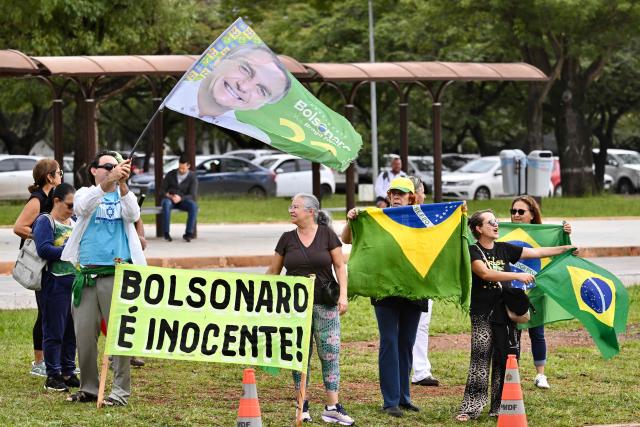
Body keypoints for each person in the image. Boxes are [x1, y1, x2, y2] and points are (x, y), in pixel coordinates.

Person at [456, 209, 575, 422]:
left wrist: (566, 248)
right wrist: (516, 274)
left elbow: (537, 253)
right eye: (490, 222)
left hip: (506, 314)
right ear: (478, 229)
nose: (495, 225)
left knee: (505, 357)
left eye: (496, 222)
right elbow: (485, 273)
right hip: (482, 313)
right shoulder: (473, 250)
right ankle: (472, 407)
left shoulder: (504, 249)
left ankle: (499, 406)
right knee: (480, 359)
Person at [61, 150, 146, 406]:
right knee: (84, 335)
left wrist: (121, 184)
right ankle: (88, 388)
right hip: (86, 274)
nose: (112, 169)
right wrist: (108, 182)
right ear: (94, 170)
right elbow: (82, 208)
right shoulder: (86, 193)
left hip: (116, 274)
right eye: (107, 166)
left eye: (117, 166)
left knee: (120, 336)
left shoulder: (123, 196)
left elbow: (132, 214)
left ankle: (119, 393)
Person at [265, 193, 354, 426]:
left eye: (295, 207)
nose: (291, 210)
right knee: (300, 356)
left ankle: (333, 407)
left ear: (310, 212)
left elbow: (339, 266)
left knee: (330, 352)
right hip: (295, 309)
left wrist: (343, 295)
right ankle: (302, 405)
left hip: (325, 304)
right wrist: (252, 292)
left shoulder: (327, 235)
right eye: (291, 207)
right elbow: (273, 272)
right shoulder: (286, 239)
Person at [342, 177, 423, 418]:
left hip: (414, 288)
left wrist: (458, 215)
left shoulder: (421, 219)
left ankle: (404, 397)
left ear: (412, 197)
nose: (397, 196)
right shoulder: (376, 218)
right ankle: (390, 402)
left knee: (406, 344)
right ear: (388, 195)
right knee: (389, 341)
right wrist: (351, 220)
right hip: (384, 289)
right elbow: (346, 239)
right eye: (393, 193)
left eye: (402, 193)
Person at [509, 195, 571, 389]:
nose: (516, 215)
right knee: (513, 334)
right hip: (512, 292)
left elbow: (561, 251)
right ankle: (513, 373)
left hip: (536, 290)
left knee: (538, 332)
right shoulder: (503, 232)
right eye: (513, 211)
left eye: (521, 212)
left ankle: (540, 375)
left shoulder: (543, 234)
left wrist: (566, 234)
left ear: (532, 215)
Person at [13, 158, 62, 377]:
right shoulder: (37, 199)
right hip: (38, 262)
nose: (61, 175)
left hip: (50, 261)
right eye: (58, 172)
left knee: (52, 310)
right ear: (49, 177)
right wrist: (42, 236)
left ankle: (55, 360)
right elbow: (19, 227)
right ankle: (39, 362)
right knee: (44, 311)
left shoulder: (53, 198)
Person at [32, 183, 78, 392]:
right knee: (54, 330)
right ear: (57, 201)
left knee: (71, 330)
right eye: (69, 205)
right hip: (53, 283)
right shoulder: (45, 221)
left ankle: (68, 370)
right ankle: (53, 374)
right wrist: (68, 250)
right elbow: (43, 249)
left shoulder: (75, 221)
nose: (72, 210)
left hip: (75, 282)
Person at [407, 176, 440, 387]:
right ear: (414, 194)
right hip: (405, 278)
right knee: (407, 326)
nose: (425, 196)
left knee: (422, 323)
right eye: (422, 192)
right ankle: (415, 369)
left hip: (424, 277)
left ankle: (420, 370)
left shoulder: (427, 215)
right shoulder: (395, 216)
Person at [160, 154, 198, 242]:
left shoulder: (192, 177)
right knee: (166, 203)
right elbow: (161, 191)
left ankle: (188, 234)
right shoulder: (171, 174)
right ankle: (166, 233)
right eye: (180, 167)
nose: (181, 170)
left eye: (183, 168)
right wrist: (169, 196)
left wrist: (181, 198)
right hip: (170, 200)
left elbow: (193, 195)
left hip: (183, 201)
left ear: (188, 166)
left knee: (193, 206)